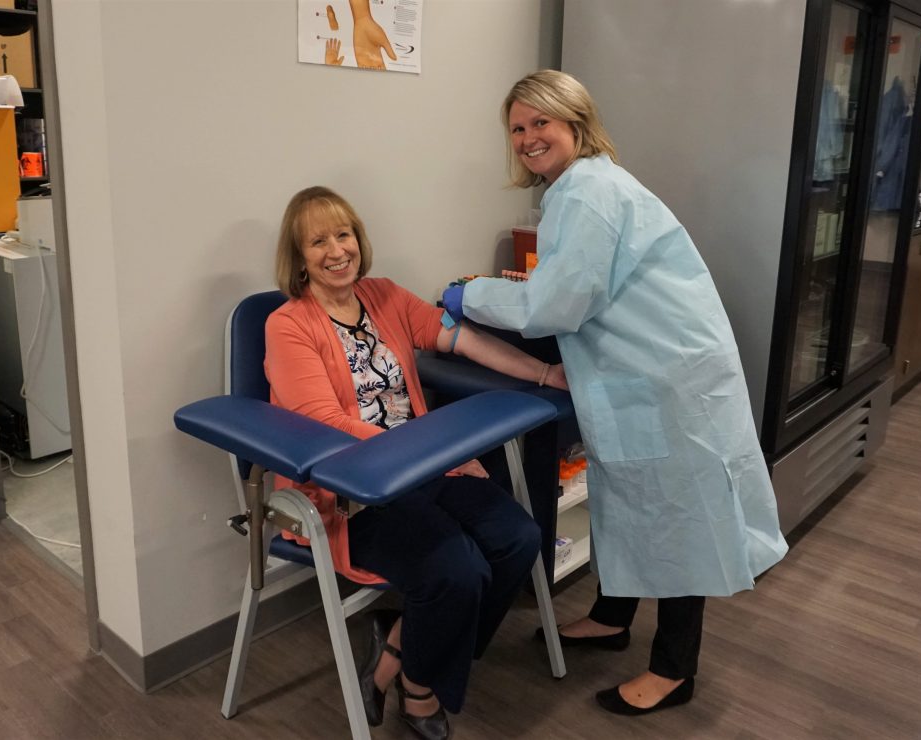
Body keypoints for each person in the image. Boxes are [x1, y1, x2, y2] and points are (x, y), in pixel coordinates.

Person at [442, 70, 789, 716]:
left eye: (540, 122)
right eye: (517, 128)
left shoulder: (587, 194)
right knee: (630, 502)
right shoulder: (576, 190)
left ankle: (674, 670)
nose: (527, 137)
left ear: (575, 122)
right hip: (645, 374)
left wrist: (471, 295)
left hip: (668, 381)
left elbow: (558, 303)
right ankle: (611, 616)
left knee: (677, 518)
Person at [265, 186, 568, 739]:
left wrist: (545, 374)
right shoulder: (287, 325)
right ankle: (418, 690)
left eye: (344, 233)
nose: (336, 249)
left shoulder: (382, 296)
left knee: (519, 538)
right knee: (458, 570)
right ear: (297, 255)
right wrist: (433, 454)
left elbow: (462, 341)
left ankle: (397, 650)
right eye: (317, 240)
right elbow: (321, 420)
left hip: (425, 465)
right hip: (353, 488)